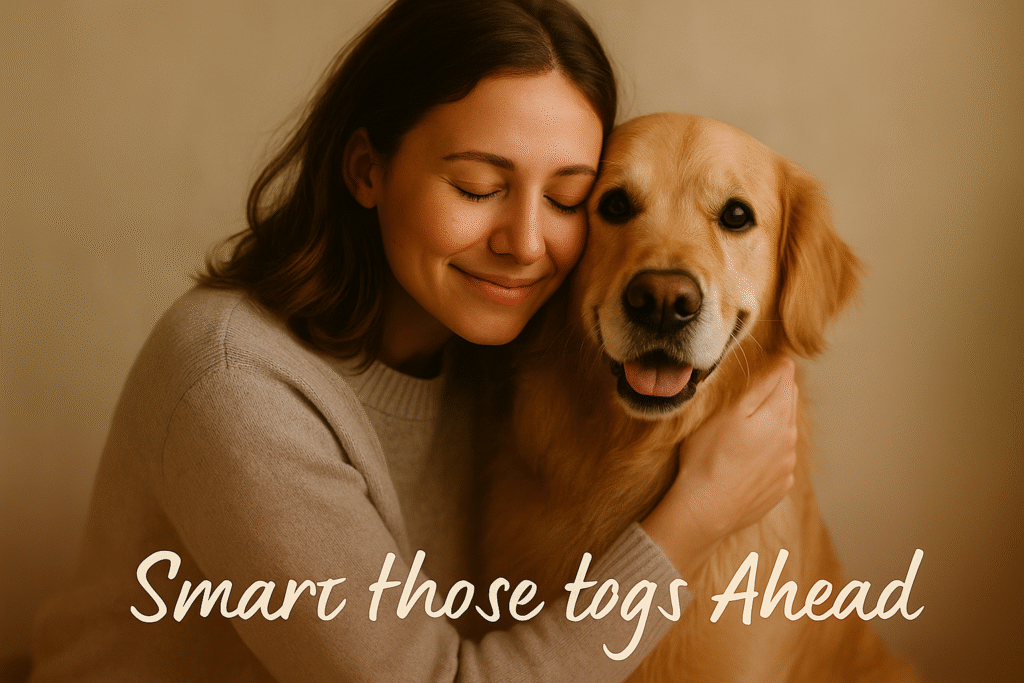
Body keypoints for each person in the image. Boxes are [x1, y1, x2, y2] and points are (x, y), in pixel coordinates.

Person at [29, 0, 797, 681]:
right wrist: (695, 519)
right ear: (367, 170)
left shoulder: (510, 348)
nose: (527, 243)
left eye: (567, 197)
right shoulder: (235, 381)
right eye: (478, 187)